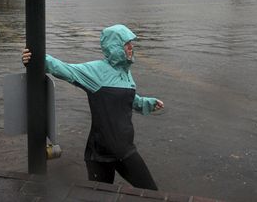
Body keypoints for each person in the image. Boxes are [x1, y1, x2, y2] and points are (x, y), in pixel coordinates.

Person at [22, 24, 164, 190]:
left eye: (132, 43)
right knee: (100, 197)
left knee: (152, 193)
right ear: (115, 47)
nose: (131, 47)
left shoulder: (126, 72)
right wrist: (35, 58)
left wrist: (146, 103)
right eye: (127, 44)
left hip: (125, 150)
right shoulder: (96, 71)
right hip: (100, 154)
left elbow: (126, 99)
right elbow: (65, 69)